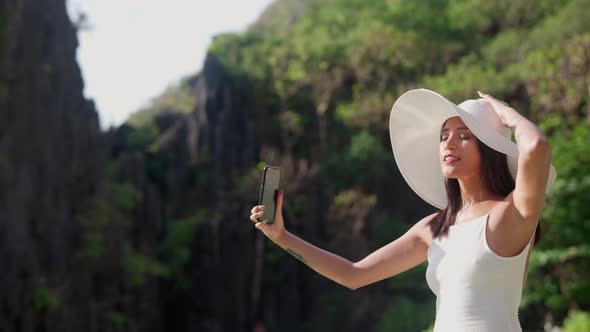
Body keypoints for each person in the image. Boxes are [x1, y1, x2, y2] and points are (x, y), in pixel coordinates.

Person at [249, 89, 556, 331]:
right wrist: (282, 237)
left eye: (464, 136)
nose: (449, 144)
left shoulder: (510, 214)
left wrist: (505, 112)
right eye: (444, 136)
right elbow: (353, 274)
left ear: (490, 150)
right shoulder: (434, 228)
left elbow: (536, 146)